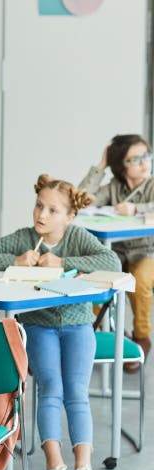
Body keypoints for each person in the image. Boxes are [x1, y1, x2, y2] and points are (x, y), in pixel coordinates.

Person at [0, 174, 120, 470]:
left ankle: (83, 467)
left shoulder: (78, 237)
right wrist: (14, 260)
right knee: (51, 388)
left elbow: (111, 261)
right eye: (39, 206)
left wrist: (64, 262)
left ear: (70, 216)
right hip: (39, 327)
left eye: (52, 210)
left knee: (77, 392)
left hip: (79, 326)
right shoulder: (24, 238)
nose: (42, 215)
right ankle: (55, 466)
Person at [79, 134, 154, 371]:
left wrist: (136, 208)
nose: (144, 163)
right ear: (121, 166)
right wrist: (101, 166)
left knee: (140, 280)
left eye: (146, 156)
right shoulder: (113, 188)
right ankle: (106, 330)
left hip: (147, 252)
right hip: (115, 253)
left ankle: (142, 336)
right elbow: (80, 200)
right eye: (135, 159)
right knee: (92, 278)